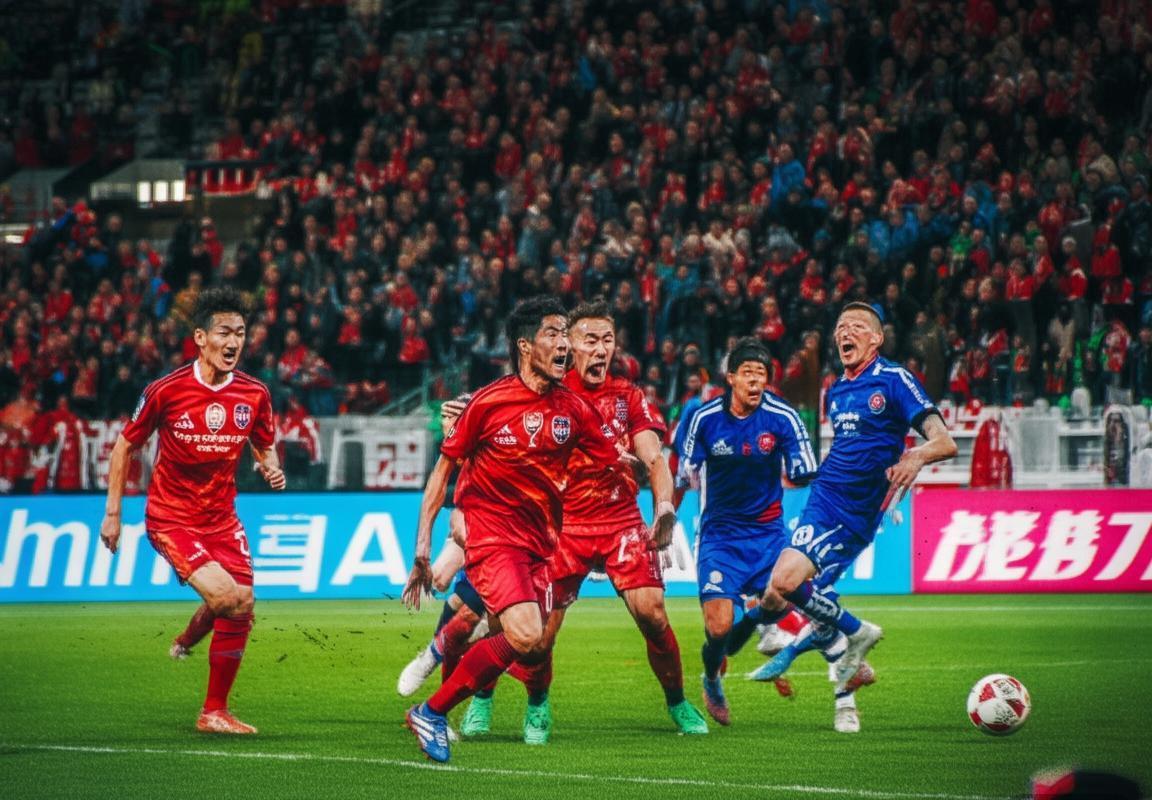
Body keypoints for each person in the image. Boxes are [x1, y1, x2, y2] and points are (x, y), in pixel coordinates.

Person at [455, 300, 709, 741]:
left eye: (607, 340)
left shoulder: (628, 397)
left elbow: (654, 457)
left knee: (653, 614)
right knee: (535, 637)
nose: (600, 349)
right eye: (589, 340)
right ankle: (525, 702)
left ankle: (678, 702)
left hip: (620, 520)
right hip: (561, 527)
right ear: (568, 345)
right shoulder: (548, 395)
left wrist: (664, 507)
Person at [401, 296, 628, 763]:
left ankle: (440, 664)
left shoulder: (574, 409)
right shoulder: (488, 402)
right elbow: (441, 476)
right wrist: (422, 548)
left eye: (566, 335)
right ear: (525, 346)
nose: (564, 345)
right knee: (522, 633)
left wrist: (643, 481)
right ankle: (431, 711)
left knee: (528, 641)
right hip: (490, 535)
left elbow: (614, 462)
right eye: (553, 334)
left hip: (540, 545)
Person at [756, 301, 957, 732]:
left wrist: (915, 456)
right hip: (824, 498)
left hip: (857, 513)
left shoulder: (895, 379)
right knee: (783, 591)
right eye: (841, 326)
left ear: (877, 338)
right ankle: (849, 667)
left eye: (857, 327)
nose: (845, 332)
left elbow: (945, 442)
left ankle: (847, 670)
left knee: (795, 591)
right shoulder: (837, 390)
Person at [99, 287, 286, 735]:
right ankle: (202, 684)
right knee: (227, 598)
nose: (233, 342)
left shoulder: (255, 393)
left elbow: (263, 442)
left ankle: (212, 705)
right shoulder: (166, 390)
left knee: (242, 603)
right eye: (224, 332)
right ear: (200, 338)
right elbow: (125, 446)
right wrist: (113, 514)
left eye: (240, 333)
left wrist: (270, 465)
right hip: (172, 517)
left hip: (222, 518)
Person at [678, 337, 819, 725]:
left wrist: (812, 474)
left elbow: (806, 468)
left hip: (768, 535)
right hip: (720, 537)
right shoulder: (706, 418)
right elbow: (685, 471)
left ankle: (763, 618)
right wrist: (666, 512)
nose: (756, 381)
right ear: (731, 378)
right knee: (718, 628)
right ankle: (711, 679)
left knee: (780, 603)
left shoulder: (782, 417)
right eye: (748, 373)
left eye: (762, 374)